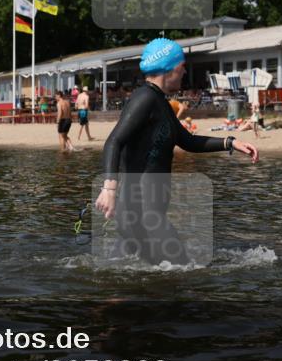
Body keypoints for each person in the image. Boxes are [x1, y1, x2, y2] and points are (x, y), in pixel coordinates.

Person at [96, 38, 258, 265]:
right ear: (169, 68)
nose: (184, 72)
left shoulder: (160, 101)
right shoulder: (144, 98)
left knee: (121, 279)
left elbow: (187, 141)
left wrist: (230, 143)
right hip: (142, 213)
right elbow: (114, 141)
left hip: (140, 213)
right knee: (185, 272)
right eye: (182, 66)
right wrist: (109, 189)